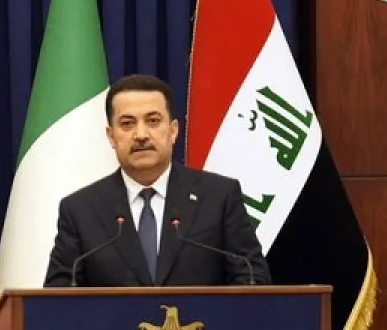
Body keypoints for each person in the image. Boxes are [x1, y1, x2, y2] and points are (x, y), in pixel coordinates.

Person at [43, 73, 270, 288]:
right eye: (127, 123)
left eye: (153, 121)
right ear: (111, 136)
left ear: (173, 131)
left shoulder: (219, 197)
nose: (141, 135)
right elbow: (59, 299)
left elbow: (252, 280)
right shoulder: (80, 210)